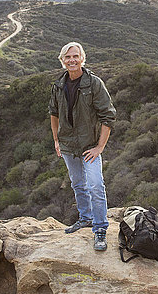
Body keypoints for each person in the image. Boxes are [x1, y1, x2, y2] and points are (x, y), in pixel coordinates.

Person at [48, 42, 116, 251]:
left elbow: (108, 116)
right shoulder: (58, 85)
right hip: (68, 146)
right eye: (68, 57)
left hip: (89, 147)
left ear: (82, 59)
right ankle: (85, 218)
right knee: (78, 184)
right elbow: (54, 114)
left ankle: (100, 229)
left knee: (95, 184)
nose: (72, 60)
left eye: (75, 56)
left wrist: (100, 147)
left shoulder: (94, 84)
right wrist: (57, 140)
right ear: (62, 60)